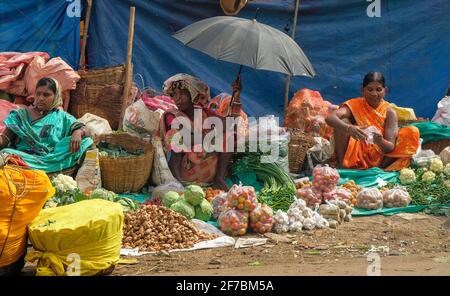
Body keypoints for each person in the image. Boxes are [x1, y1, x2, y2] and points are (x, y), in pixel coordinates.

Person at [160, 73, 247, 190]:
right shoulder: (172, 115)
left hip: (206, 163)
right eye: (174, 95)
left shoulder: (204, 112)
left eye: (182, 93)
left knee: (229, 136)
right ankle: (177, 183)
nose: (177, 98)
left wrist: (236, 96)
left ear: (192, 94)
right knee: (175, 137)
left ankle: (219, 179)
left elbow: (232, 123)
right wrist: (212, 132)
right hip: (186, 168)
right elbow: (185, 139)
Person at [325, 72, 420, 171]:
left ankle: (380, 169)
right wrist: (349, 128)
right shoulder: (355, 104)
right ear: (362, 90)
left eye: (378, 90)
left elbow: (389, 148)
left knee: (412, 131)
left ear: (385, 90)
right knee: (342, 121)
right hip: (356, 153)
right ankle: (343, 166)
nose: (374, 94)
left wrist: (380, 141)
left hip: (380, 156)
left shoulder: (389, 112)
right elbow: (330, 118)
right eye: (370, 89)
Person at [0, 77, 93, 173]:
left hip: (52, 158)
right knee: (6, 154)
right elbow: (5, 139)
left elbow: (85, 129)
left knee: (85, 141)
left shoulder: (62, 117)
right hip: (24, 158)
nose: (41, 98)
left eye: (46, 95)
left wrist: (77, 132)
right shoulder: (20, 115)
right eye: (38, 94)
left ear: (56, 96)